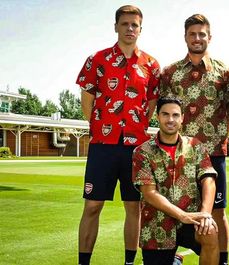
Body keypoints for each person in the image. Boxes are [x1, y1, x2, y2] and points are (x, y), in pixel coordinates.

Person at [76, 5, 160, 265]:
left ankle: (128, 262)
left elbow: (151, 104)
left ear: (141, 29)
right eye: (125, 24)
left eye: (134, 25)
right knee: (92, 206)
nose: (130, 29)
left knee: (133, 207)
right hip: (103, 145)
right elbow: (87, 99)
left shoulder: (151, 65)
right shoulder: (97, 60)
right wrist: (101, 126)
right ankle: (83, 262)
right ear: (116, 27)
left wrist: (137, 127)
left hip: (135, 148)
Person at [160, 14, 229, 265]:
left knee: (217, 210)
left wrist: (223, 133)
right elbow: (164, 110)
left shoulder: (224, 72)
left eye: (202, 34)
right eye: (192, 34)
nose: (197, 38)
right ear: (185, 37)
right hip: (178, 154)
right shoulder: (170, 72)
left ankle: (222, 260)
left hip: (213, 153)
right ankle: (172, 257)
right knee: (171, 208)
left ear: (209, 37)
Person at [132, 96, 219, 265]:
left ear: (182, 118)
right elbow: (149, 193)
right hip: (157, 224)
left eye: (175, 115)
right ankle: (174, 260)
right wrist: (182, 215)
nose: (170, 119)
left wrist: (206, 215)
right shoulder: (142, 152)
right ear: (158, 117)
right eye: (165, 114)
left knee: (210, 231)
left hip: (192, 219)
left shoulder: (195, 146)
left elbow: (208, 180)